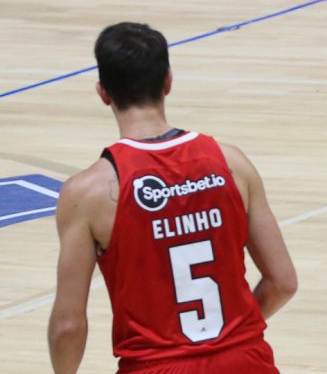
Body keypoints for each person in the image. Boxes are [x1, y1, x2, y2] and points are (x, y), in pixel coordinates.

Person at [47, 22, 298, 373]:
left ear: (103, 92)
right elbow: (283, 282)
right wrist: (230, 336)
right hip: (245, 360)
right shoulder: (233, 164)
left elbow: (68, 326)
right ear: (167, 82)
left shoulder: (88, 193)